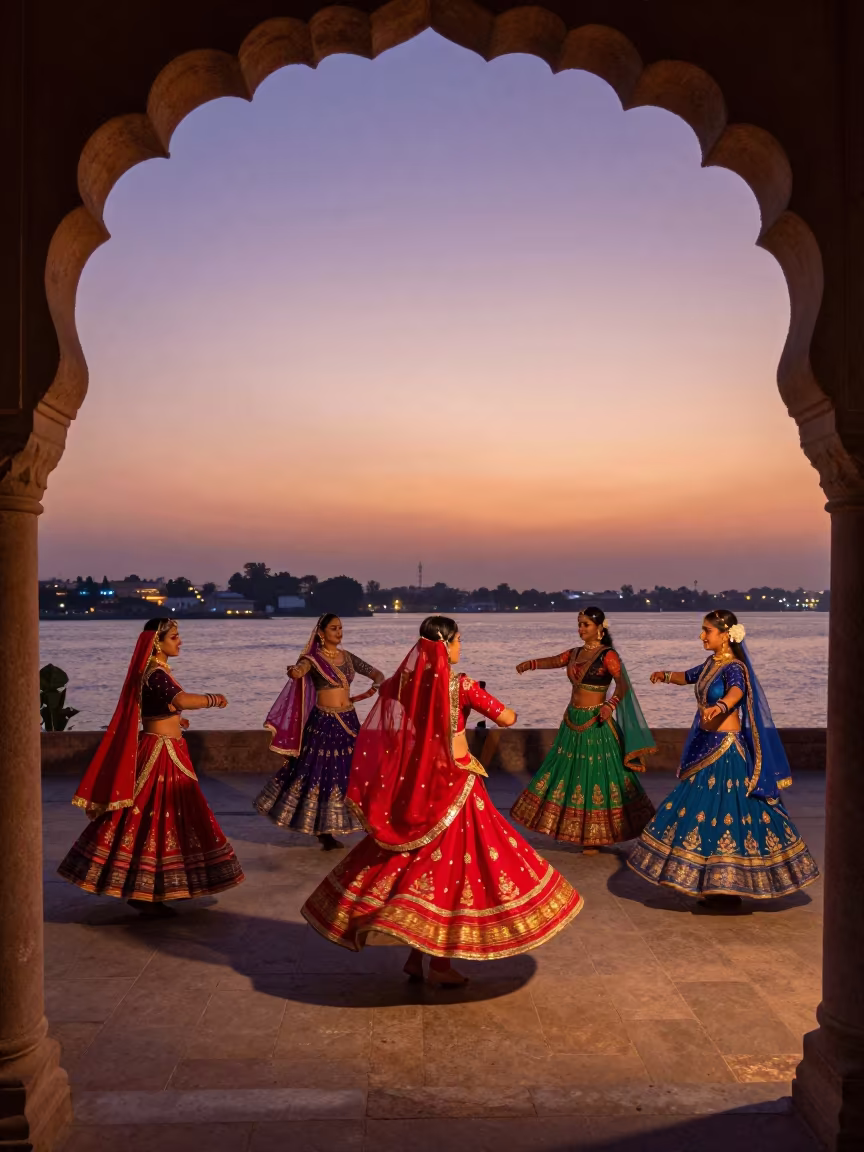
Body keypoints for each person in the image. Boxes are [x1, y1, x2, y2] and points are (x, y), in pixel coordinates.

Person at [301, 616, 583, 986]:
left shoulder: (407, 684)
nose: (461, 646)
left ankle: (418, 958)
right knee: (456, 869)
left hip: (420, 785)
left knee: (421, 863)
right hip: (457, 786)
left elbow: (386, 711)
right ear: (445, 645)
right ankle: (440, 964)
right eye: (458, 640)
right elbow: (506, 716)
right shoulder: (461, 685)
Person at [627, 609, 820, 906]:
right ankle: (711, 884)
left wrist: (719, 707)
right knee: (701, 814)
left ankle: (730, 888)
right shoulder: (710, 663)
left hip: (728, 750)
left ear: (726, 634)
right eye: (703, 630)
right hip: (707, 748)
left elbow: (736, 693)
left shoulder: (735, 668)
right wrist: (664, 675)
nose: (702, 636)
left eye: (707, 631)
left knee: (731, 816)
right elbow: (688, 677)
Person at [57, 618, 244, 916]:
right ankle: (144, 891)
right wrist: (214, 699)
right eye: (175, 636)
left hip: (167, 749)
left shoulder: (157, 672)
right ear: (157, 642)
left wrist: (175, 720)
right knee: (152, 818)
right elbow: (181, 699)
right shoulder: (156, 673)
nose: (179, 641)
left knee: (159, 819)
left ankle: (155, 888)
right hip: (161, 754)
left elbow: (155, 707)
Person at [510, 607, 656, 853]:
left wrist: (611, 705)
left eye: (586, 624)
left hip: (596, 720)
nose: (581, 629)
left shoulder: (608, 655)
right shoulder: (575, 653)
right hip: (572, 719)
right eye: (579, 624)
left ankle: (596, 836)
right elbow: (556, 661)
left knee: (596, 775)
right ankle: (576, 830)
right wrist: (532, 663)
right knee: (569, 774)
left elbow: (623, 685)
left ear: (600, 628)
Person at [256, 613, 384, 849]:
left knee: (354, 772)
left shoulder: (348, 658)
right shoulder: (312, 659)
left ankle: (365, 822)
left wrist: (374, 687)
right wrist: (294, 671)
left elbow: (377, 674)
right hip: (323, 723)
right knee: (320, 775)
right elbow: (299, 670)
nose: (339, 632)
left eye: (341, 628)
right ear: (321, 634)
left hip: (348, 721)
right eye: (334, 628)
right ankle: (324, 832)